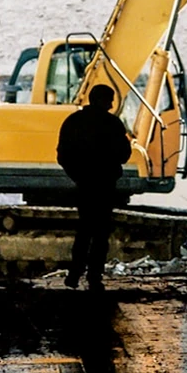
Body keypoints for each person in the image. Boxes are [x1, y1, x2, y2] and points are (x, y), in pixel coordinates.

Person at [56, 84, 132, 291]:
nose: (112, 103)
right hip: (105, 185)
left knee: (84, 231)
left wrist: (79, 176)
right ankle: (94, 276)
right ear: (103, 100)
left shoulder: (73, 122)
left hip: (84, 185)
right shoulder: (113, 124)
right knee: (100, 234)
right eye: (110, 99)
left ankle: (74, 274)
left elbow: (62, 155)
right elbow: (125, 154)